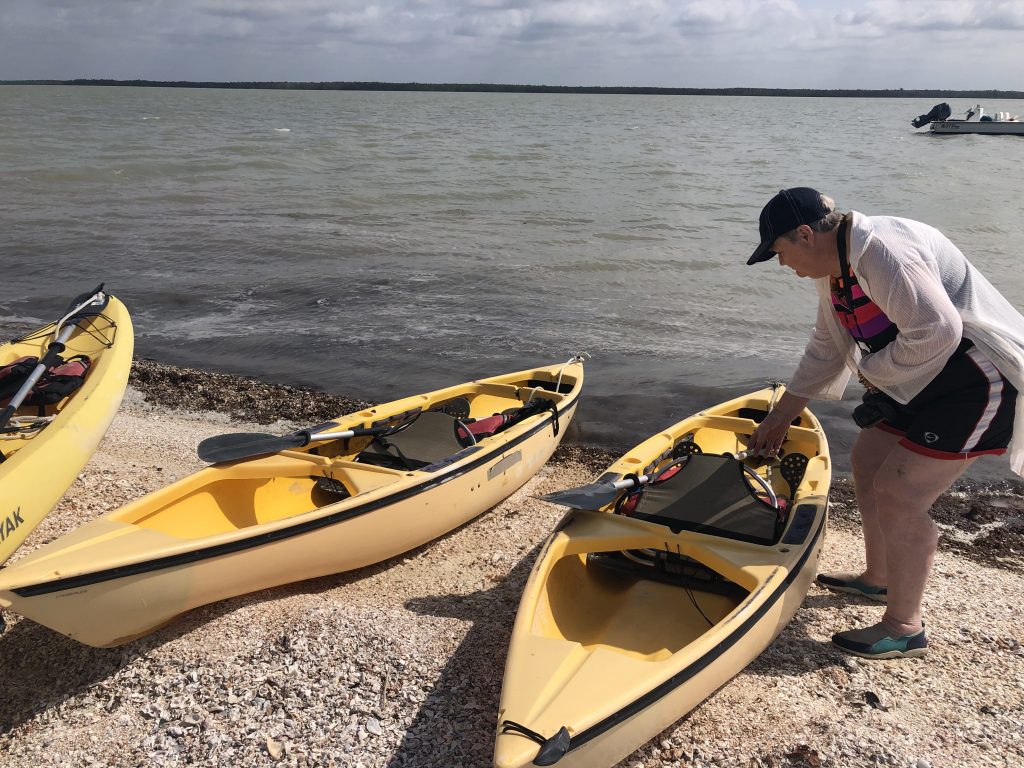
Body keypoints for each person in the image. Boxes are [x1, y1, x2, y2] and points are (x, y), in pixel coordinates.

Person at [744, 188, 1024, 659]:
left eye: (780, 252)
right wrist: (779, 418)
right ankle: (878, 580)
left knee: (901, 494)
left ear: (806, 234)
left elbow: (939, 331)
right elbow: (826, 348)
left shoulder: (882, 250)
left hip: (975, 380)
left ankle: (904, 627)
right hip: (921, 378)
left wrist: (872, 375)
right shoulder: (835, 269)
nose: (782, 265)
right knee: (869, 462)